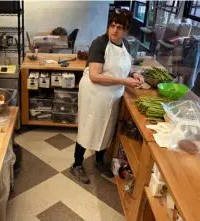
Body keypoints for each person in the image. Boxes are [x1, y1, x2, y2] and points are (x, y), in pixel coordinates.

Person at [70, 9, 144, 184]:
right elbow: (95, 76)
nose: (115, 30)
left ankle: (98, 161)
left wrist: (133, 74)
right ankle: (77, 164)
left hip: (112, 94)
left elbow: (121, 66)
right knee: (89, 126)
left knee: (107, 126)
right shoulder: (100, 43)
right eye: (112, 26)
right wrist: (124, 81)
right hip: (95, 92)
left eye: (120, 27)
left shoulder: (124, 44)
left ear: (126, 31)